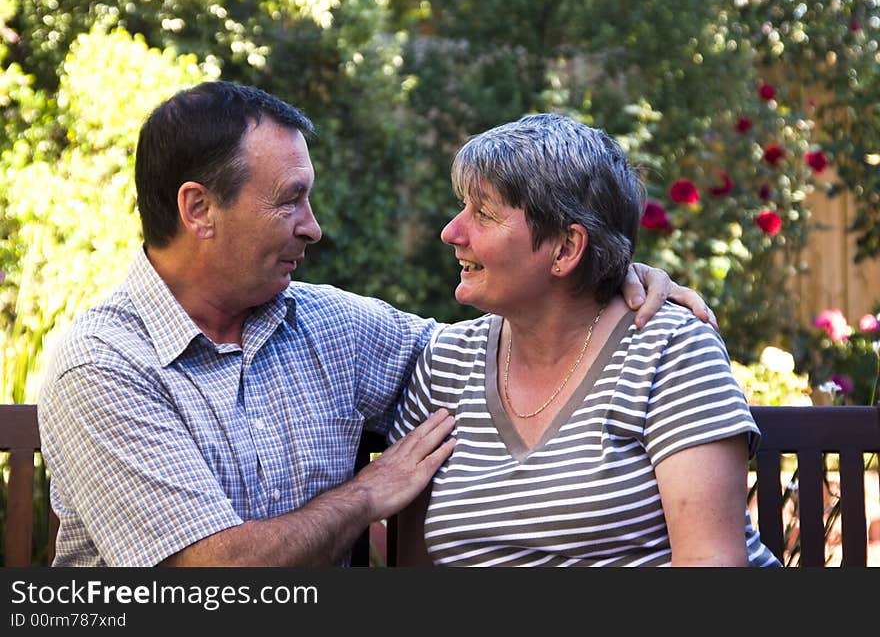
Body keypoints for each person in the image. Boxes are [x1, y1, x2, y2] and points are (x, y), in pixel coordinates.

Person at [37, 82, 713, 567]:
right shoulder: (102, 365)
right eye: (291, 200)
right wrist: (366, 493)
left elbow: (533, 335)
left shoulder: (331, 327)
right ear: (198, 208)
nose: (314, 225)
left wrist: (619, 273)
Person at [390, 113, 781, 566]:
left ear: (565, 249)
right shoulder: (446, 365)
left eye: (484, 214)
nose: (452, 232)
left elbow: (711, 564)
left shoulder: (670, 351)